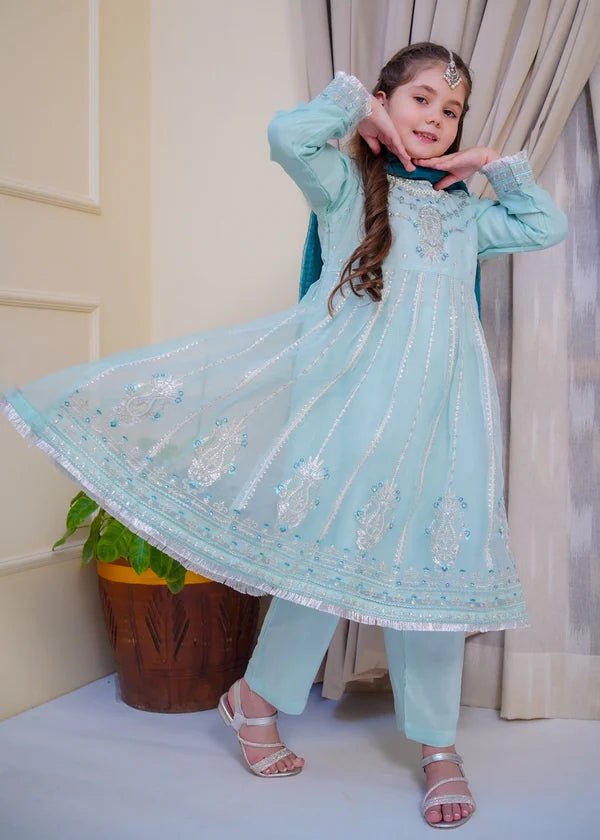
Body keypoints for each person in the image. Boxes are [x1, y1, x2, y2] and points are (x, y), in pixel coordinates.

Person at [1, 43, 567, 828]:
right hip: (347, 419)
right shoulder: (343, 185)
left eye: (452, 111)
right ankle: (256, 700)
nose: (437, 118)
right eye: (421, 99)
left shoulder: (466, 212)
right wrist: (359, 113)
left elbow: (544, 224)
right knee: (319, 571)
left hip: (443, 426)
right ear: (385, 102)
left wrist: (488, 164)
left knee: (431, 584)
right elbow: (285, 135)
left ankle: (439, 748)